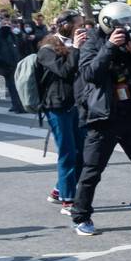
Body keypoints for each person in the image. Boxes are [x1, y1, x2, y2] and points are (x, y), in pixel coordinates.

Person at [70, 3, 131, 235]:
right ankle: (80, 216)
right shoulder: (93, 41)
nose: (126, 29)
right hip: (103, 116)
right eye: (121, 26)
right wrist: (109, 47)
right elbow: (89, 74)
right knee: (92, 170)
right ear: (108, 24)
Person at [36, 12, 87, 216]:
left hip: (74, 104)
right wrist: (75, 47)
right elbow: (65, 71)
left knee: (82, 152)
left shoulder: (75, 46)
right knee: (67, 152)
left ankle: (59, 190)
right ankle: (68, 200)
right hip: (57, 105)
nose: (81, 30)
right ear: (65, 26)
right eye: (78, 26)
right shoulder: (46, 49)